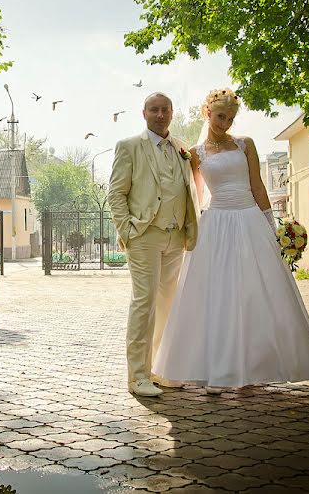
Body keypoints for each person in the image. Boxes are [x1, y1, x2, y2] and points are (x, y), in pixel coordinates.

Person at [153, 88, 309, 390]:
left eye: (231, 118)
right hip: (216, 223)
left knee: (255, 293)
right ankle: (218, 371)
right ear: (207, 113)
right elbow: (194, 197)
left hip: (249, 220)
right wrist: (186, 229)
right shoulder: (195, 154)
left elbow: (258, 185)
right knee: (217, 296)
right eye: (221, 117)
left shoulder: (245, 144)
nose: (226, 124)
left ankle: (254, 368)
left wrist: (271, 224)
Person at [108, 92, 199, 397]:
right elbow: (116, 194)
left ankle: (161, 369)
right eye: (154, 110)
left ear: (172, 113)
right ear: (144, 113)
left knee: (167, 305)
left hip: (176, 236)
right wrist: (128, 231)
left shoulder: (179, 148)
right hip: (144, 235)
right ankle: (137, 376)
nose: (160, 114)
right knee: (144, 303)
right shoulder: (129, 147)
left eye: (165, 110)